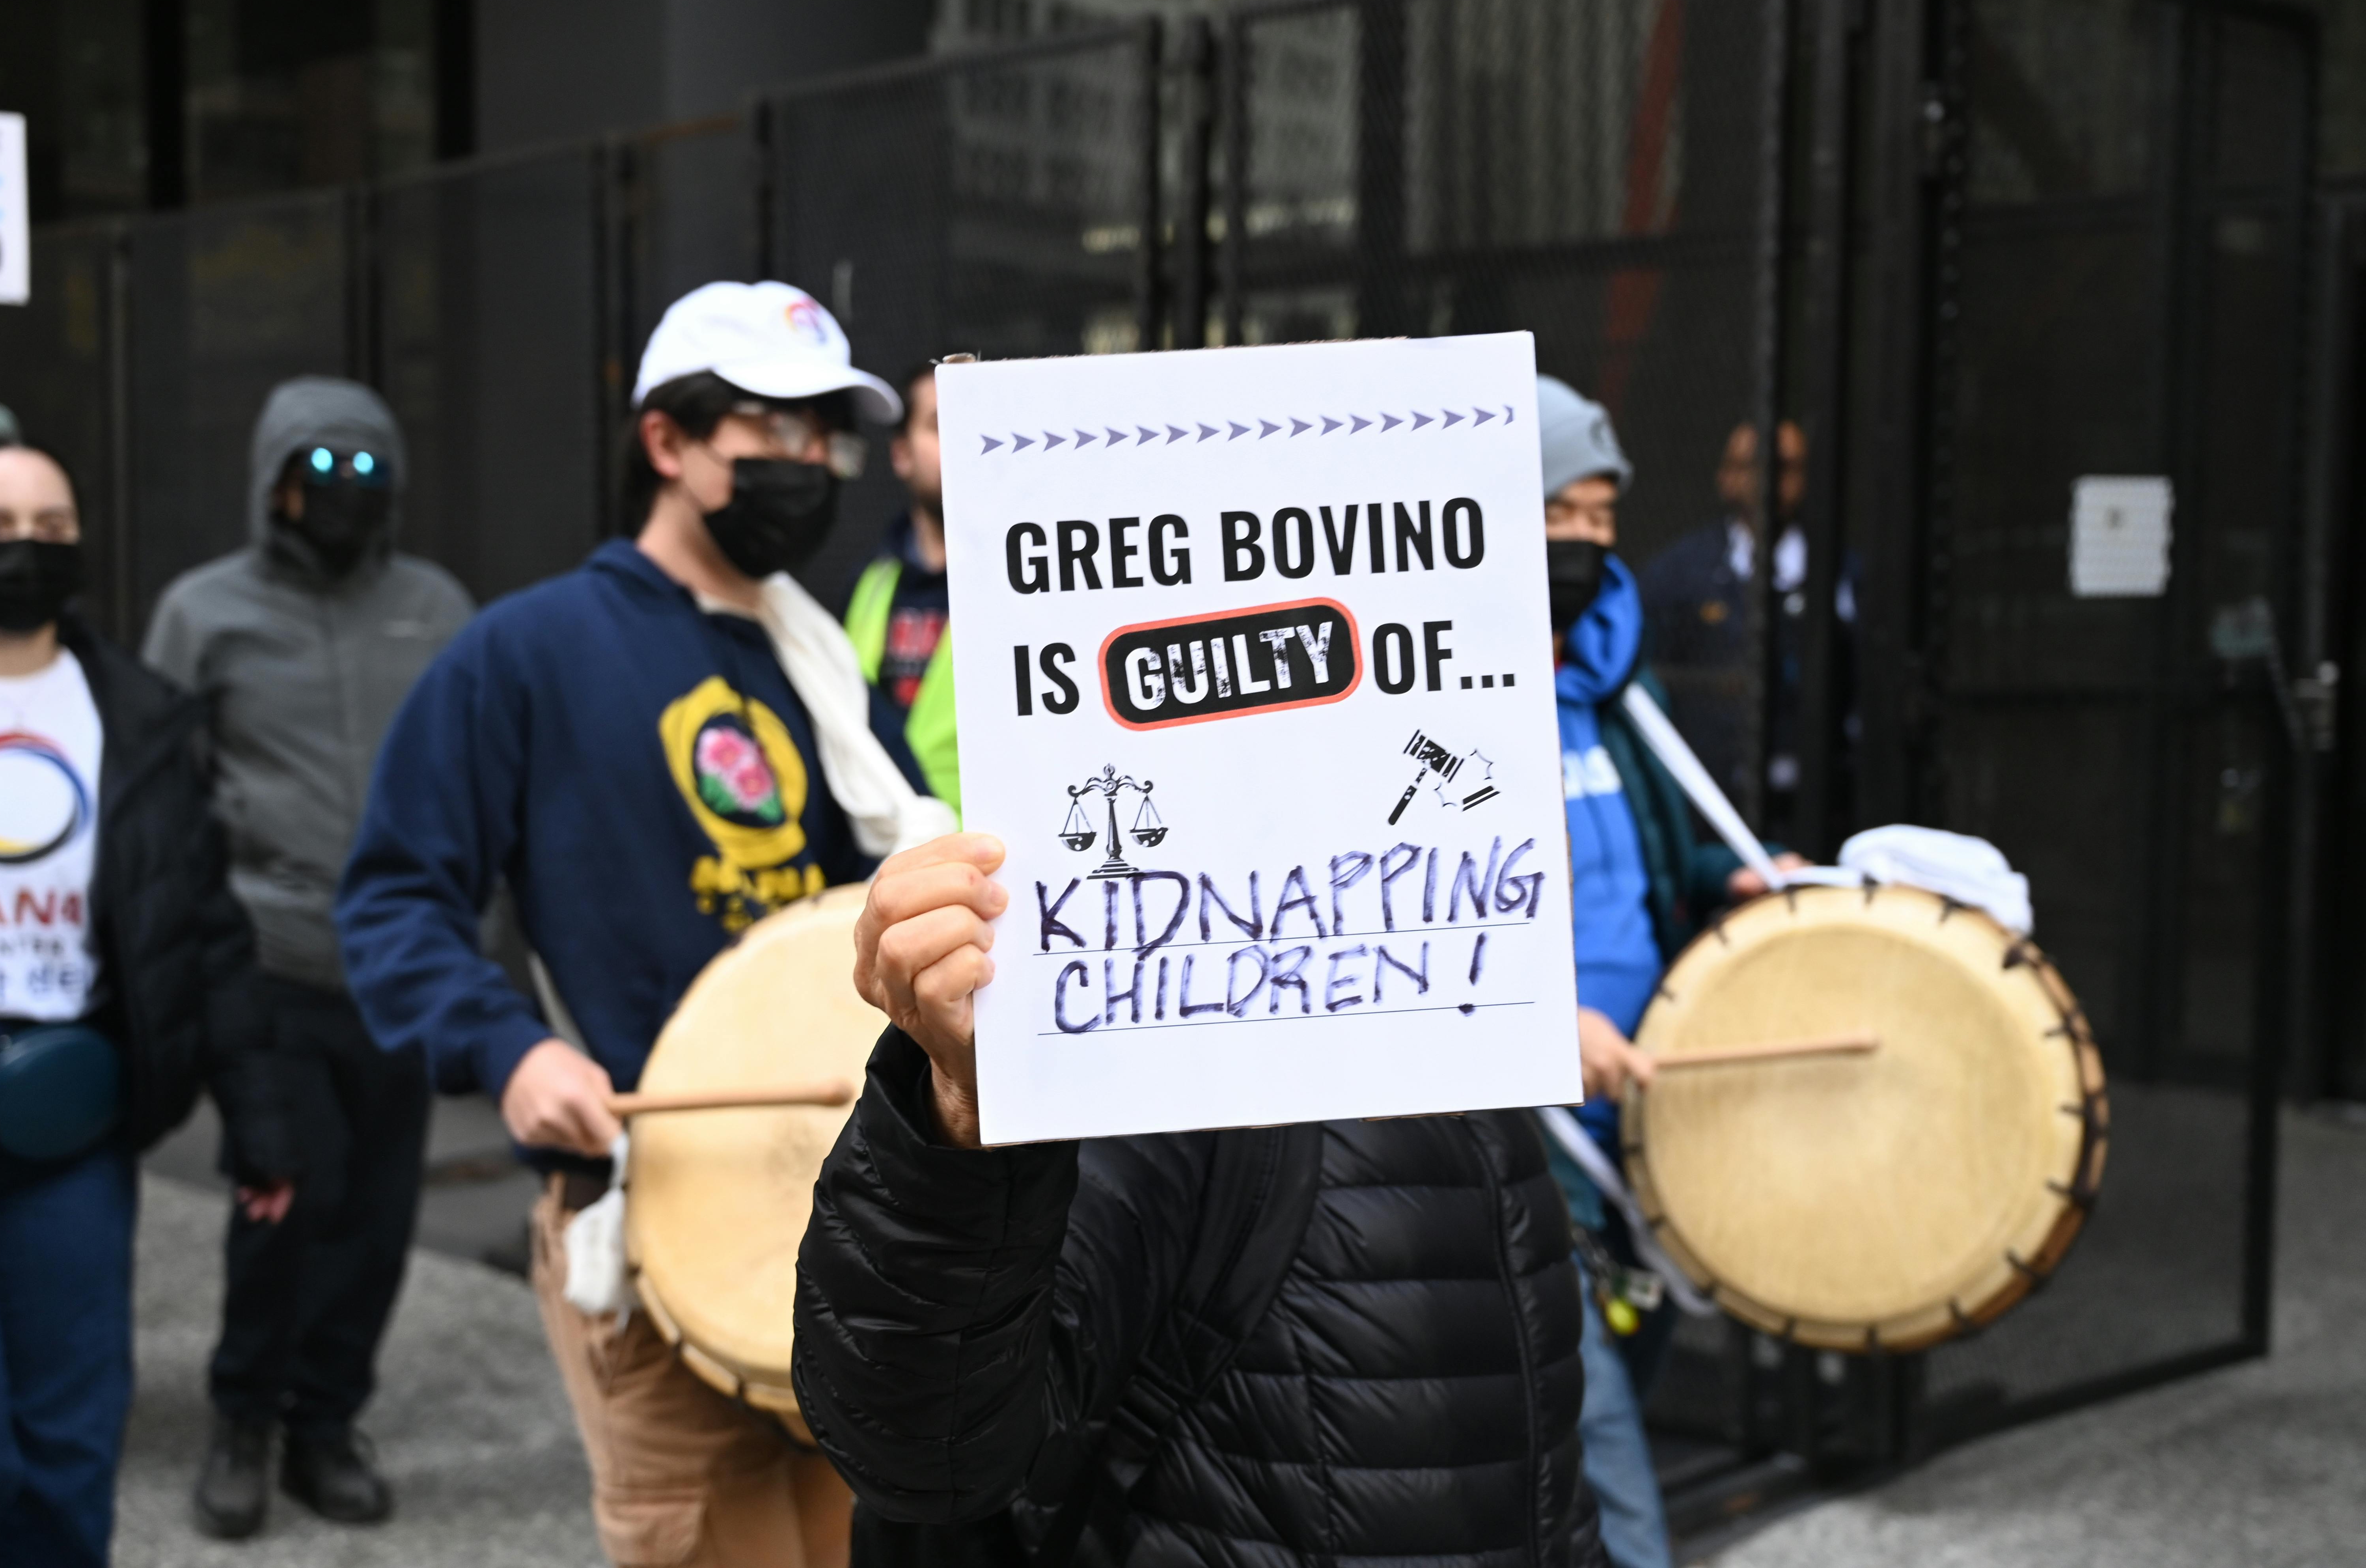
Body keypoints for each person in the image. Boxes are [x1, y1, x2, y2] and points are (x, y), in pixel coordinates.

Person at [336, 280, 948, 1568]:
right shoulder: (525, 652)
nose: (805, 466)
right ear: (666, 443)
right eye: (767, 433)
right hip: (655, 1199)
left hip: (848, 1198)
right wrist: (511, 1051)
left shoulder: (813, 659)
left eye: (819, 438)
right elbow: (395, 897)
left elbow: (884, 885)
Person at [792, 832, 1609, 1566]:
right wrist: (959, 1114)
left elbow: (1535, 1468)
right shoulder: (1176, 1063)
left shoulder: (1461, 1054)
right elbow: (932, 1449)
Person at [143, 377, 473, 1538]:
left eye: (364, 470)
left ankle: (325, 1423)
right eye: (317, 469)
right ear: (272, 478)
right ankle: (243, 1416)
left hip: (400, 970)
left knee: (378, 1217)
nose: (341, 493)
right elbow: (165, 793)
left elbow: (474, 768)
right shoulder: (203, 610)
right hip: (267, 967)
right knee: (287, 1197)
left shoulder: (434, 604)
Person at [0, 441, 297, 1566]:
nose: (24, 545)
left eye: (51, 523)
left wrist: (259, 1126)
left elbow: (201, 930)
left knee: (69, 1451)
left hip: (68, 1121)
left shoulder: (140, 714)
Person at [1537, 377, 1801, 1568]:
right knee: (1599, 1439)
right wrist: (1542, 1020)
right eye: (1559, 517)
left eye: (1601, 518)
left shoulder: (1609, 677)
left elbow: (1644, 840)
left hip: (1649, 1091)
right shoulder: (1434, 713)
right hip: (1532, 1120)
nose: (1587, 543)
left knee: (1621, 1377)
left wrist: (1725, 874)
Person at [1638, 420, 1816, 827]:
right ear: (1725, 477)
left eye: (1785, 467)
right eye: (1752, 466)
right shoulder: (1677, 574)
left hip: (1815, 795)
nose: (1768, 480)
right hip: (1709, 797)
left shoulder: (1841, 574)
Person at [843, 364, 955, 815]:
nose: (963, 440)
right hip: (881, 849)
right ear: (901, 454)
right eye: (940, 425)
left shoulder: (1033, 589)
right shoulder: (868, 585)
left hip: (987, 860)